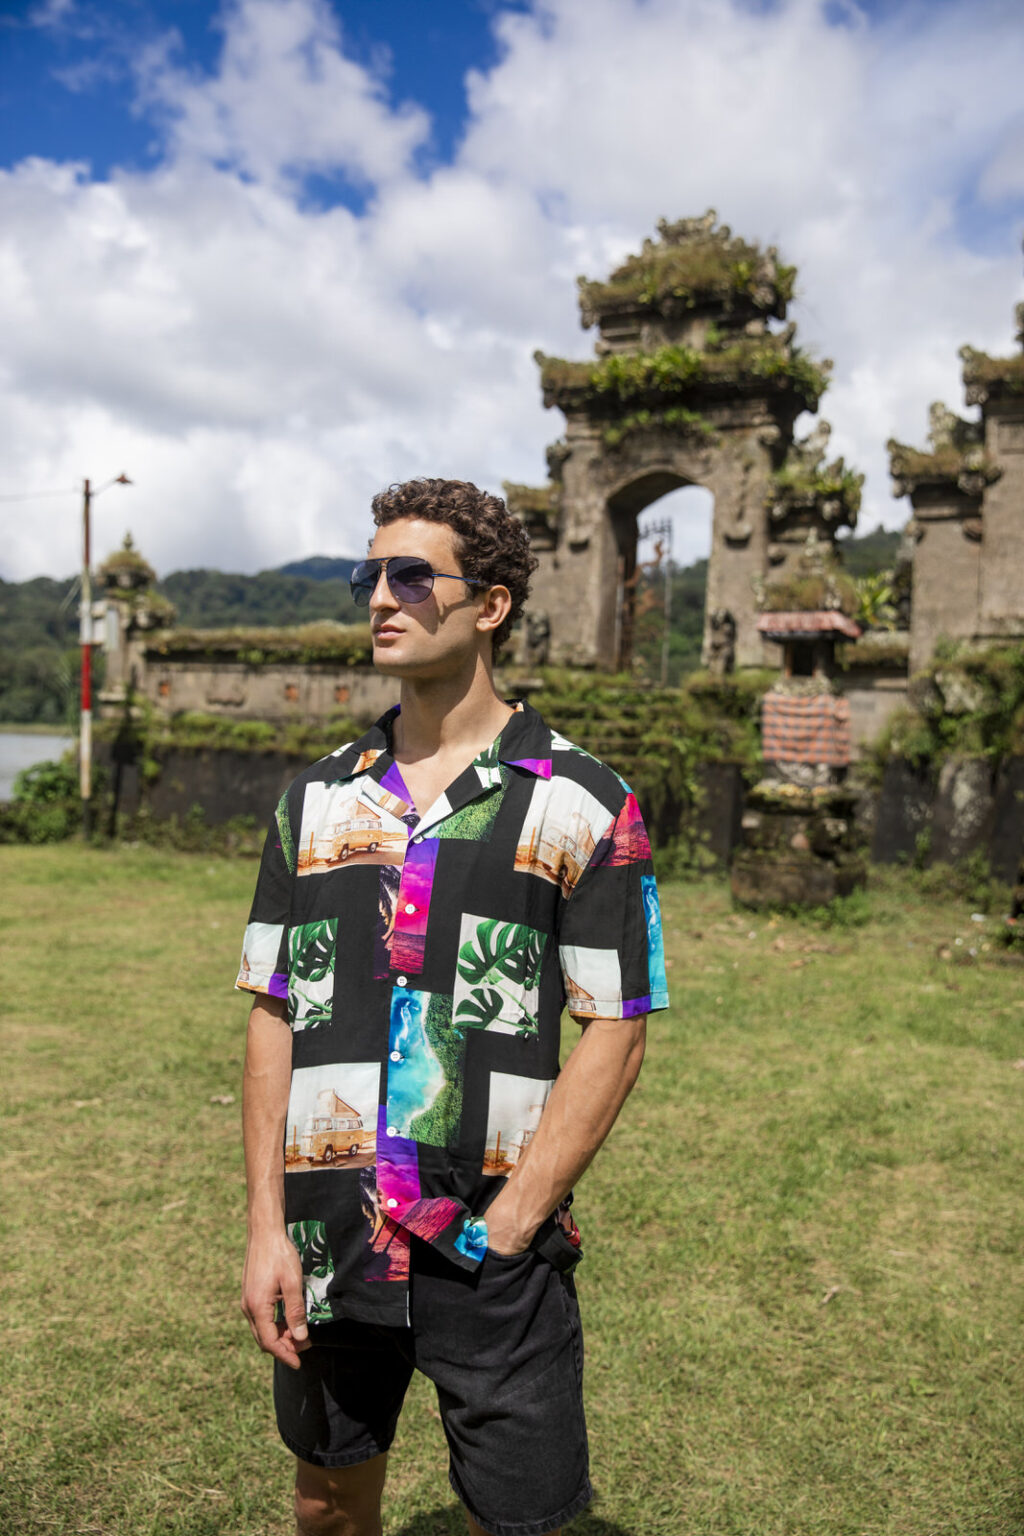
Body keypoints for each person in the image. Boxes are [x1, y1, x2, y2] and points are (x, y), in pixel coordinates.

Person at [237, 478, 669, 1536]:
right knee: (326, 1502)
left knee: (515, 1519)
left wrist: (516, 1220)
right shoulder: (315, 801)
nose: (381, 596)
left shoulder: (581, 801)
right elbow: (272, 1014)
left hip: (489, 1248)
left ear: (491, 605)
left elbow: (616, 1024)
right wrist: (265, 1230)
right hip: (329, 1239)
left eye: (411, 575)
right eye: (369, 575)